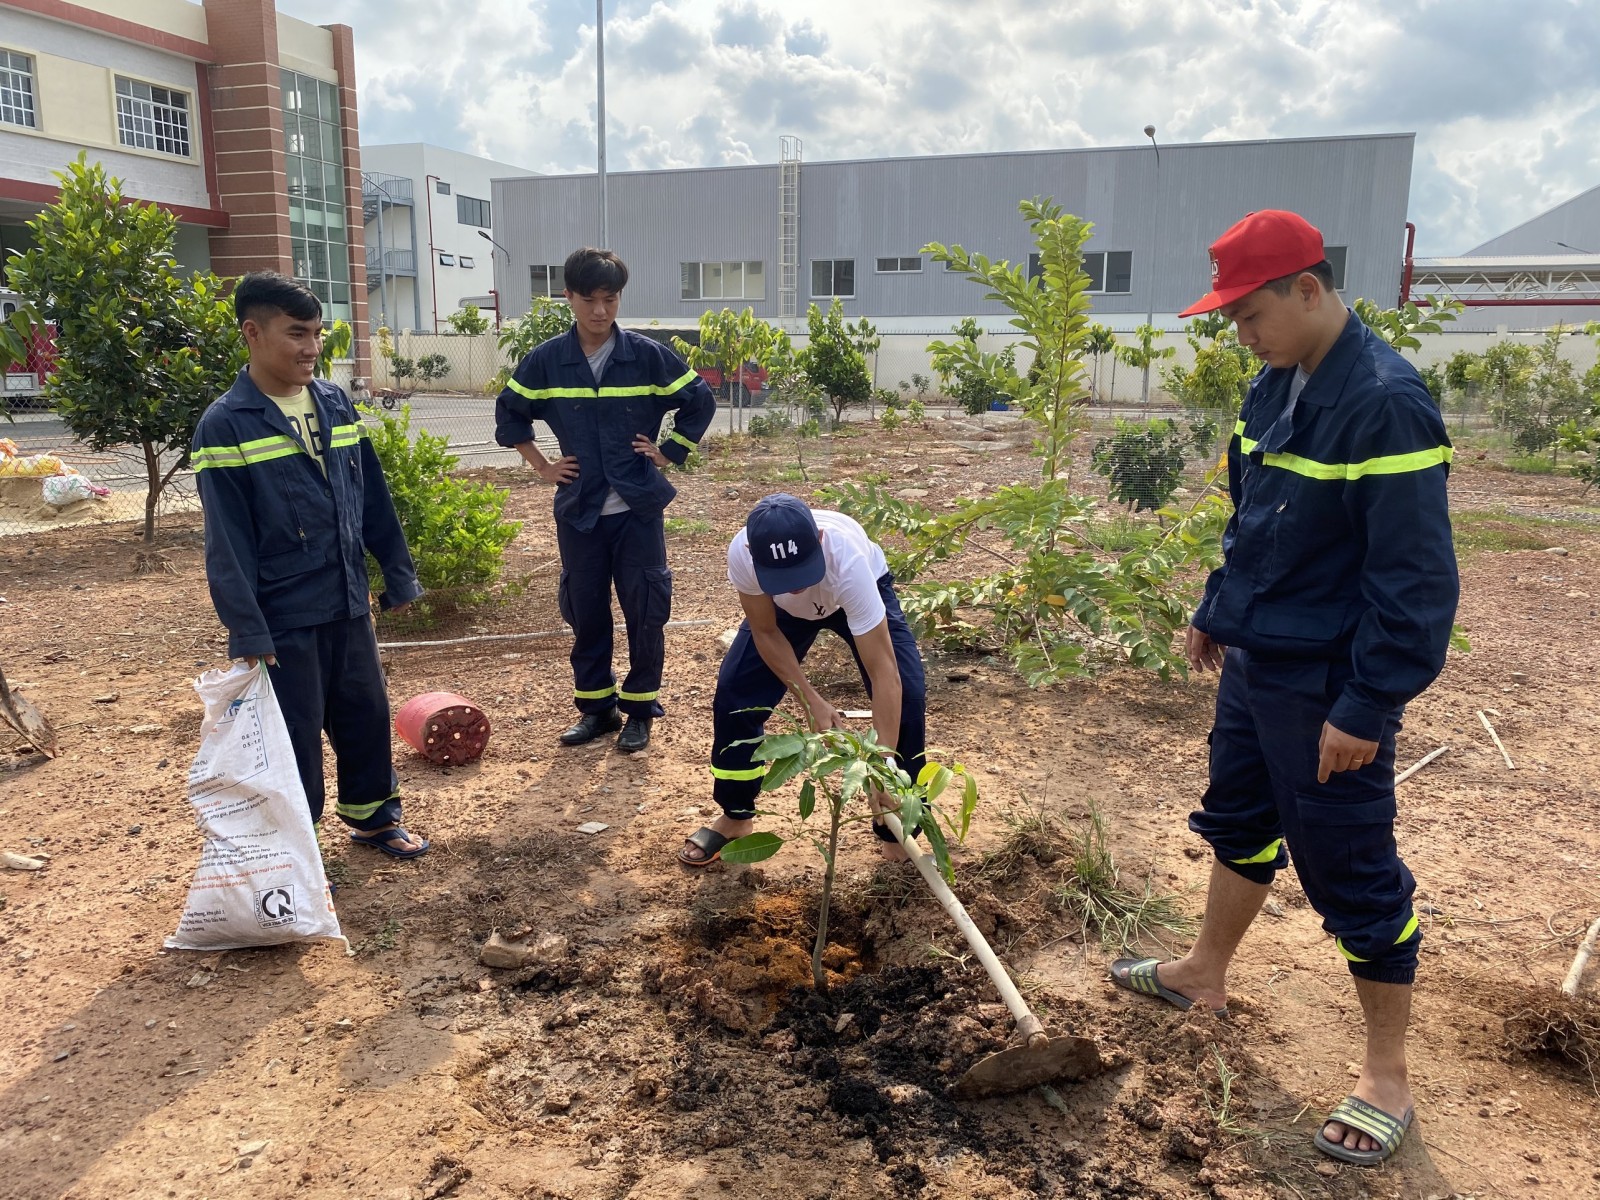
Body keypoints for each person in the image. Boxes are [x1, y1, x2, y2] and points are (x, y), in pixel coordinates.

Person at [1108, 210, 1458, 1166]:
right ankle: (1202, 971)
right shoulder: (1273, 383)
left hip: (1326, 682)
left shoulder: (1384, 401)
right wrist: (1216, 609)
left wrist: (1368, 703)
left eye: (1252, 313)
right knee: (1239, 816)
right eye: (1232, 320)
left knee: (1350, 869)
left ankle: (1387, 1077)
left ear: (1309, 289)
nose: (1242, 334)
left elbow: (1415, 580)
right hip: (1259, 657)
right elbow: (1252, 515)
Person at [192, 272, 428, 859]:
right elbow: (227, 539)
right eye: (297, 333)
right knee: (294, 732)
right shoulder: (227, 423)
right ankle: (299, 842)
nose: (311, 348)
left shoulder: (332, 400)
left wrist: (396, 573)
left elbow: (371, 494)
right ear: (252, 332)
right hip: (284, 609)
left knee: (363, 712)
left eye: (317, 335)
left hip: (347, 595)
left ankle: (375, 818)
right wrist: (246, 626)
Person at [495, 248, 716, 754]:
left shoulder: (645, 355)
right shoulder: (549, 360)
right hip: (580, 511)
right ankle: (597, 710)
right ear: (568, 297)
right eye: (588, 299)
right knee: (586, 609)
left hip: (638, 508)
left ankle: (640, 712)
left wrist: (670, 451)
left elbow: (699, 399)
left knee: (645, 610)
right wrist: (544, 466)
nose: (599, 311)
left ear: (619, 299)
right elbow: (510, 415)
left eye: (609, 299)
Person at [681, 494, 928, 867]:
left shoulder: (848, 562)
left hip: (849, 597)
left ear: (821, 541)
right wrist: (809, 697)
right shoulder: (743, 554)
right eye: (783, 578)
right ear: (752, 552)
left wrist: (880, 765)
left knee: (907, 695)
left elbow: (884, 673)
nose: (795, 586)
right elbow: (765, 631)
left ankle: (896, 828)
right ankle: (735, 814)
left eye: (801, 572)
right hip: (783, 617)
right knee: (735, 695)